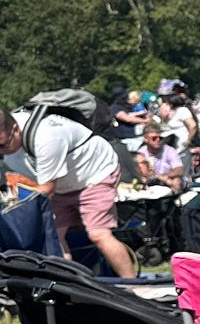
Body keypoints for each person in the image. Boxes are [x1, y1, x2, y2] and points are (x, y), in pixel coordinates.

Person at [0, 103, 137, 277]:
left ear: (15, 129)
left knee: (99, 234)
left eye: (2, 145)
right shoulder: (8, 141)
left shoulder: (46, 136)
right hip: (62, 184)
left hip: (94, 174)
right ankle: (67, 284)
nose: (1, 152)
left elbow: (46, 189)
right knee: (54, 237)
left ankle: (132, 284)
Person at [134, 122, 186, 192]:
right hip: (150, 179)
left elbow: (179, 169)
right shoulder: (141, 152)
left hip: (167, 178)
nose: (158, 140)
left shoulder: (169, 150)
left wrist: (164, 176)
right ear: (146, 139)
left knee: (176, 181)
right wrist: (157, 177)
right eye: (154, 138)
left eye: (160, 138)